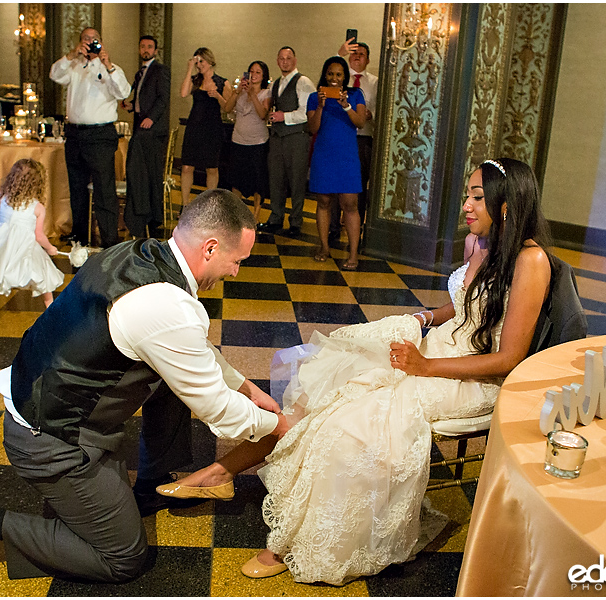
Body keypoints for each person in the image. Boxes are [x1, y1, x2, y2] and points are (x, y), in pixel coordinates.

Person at [157, 158, 553, 586]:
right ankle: (224, 473)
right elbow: (464, 308)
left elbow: (509, 357)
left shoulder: (531, 261)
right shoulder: (479, 243)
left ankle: (293, 538)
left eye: (477, 197)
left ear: (507, 204)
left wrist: (426, 365)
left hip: (475, 376)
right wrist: (423, 319)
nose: (466, 206)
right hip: (443, 347)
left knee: (351, 422)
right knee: (328, 380)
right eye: (468, 195)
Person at [0, 189, 290, 592]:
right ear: (210, 248)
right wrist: (278, 425)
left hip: (46, 398)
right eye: (236, 261)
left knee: (173, 381)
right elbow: (218, 410)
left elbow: (189, 349)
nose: (236, 272)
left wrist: (244, 386)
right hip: (50, 438)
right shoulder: (166, 305)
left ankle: (150, 483)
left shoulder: (139, 252)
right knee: (124, 557)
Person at [50, 27, 131, 248]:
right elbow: (54, 74)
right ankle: (80, 235)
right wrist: (70, 55)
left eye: (94, 40)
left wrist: (108, 65)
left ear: (101, 43)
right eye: (86, 39)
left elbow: (123, 92)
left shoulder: (111, 69)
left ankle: (109, 239)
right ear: (80, 43)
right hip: (75, 134)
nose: (90, 43)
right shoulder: (73, 67)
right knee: (76, 187)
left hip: (100, 136)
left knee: (104, 189)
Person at [0, 158, 63, 331]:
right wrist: (50, 248)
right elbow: (39, 235)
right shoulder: (37, 207)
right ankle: (52, 313)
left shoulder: (4, 197)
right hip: (25, 247)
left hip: (1, 247)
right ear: (38, 183)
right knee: (44, 279)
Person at [306, 56, 366, 271]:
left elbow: (360, 122)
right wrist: (321, 106)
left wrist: (346, 106)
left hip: (347, 156)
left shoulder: (356, 94)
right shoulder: (314, 97)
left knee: (350, 203)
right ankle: (323, 247)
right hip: (324, 154)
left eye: (338, 74)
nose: (334, 78)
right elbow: (313, 128)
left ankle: (353, 253)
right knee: (323, 201)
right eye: (330, 74)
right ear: (325, 74)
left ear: (344, 77)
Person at [258, 47, 314, 237]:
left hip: (296, 137)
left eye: (288, 58)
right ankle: (276, 218)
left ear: (295, 60)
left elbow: (307, 112)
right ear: (277, 61)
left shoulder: (303, 82)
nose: (285, 62)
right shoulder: (276, 84)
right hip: (277, 138)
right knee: (276, 179)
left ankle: (296, 222)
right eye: (281, 58)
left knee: (296, 180)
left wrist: (285, 116)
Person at [330, 38, 378, 246]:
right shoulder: (340, 78)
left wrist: (371, 114)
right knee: (333, 186)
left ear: (367, 60)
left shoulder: (375, 82)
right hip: (338, 137)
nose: (357, 56)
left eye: (362, 54)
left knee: (357, 188)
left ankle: (354, 232)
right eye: (354, 53)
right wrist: (339, 54)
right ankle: (332, 227)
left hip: (362, 139)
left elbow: (381, 106)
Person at [122, 35, 170, 238]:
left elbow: (163, 98)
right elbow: (144, 98)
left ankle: (154, 217)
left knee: (152, 173)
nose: (146, 50)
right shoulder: (140, 72)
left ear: (156, 51)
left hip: (153, 130)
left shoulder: (160, 70)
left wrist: (151, 118)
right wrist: (132, 106)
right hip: (141, 127)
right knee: (142, 172)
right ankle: (142, 211)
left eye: (149, 47)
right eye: (142, 46)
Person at [179, 48, 232, 207]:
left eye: (201, 61)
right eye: (197, 61)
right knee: (187, 166)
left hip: (212, 128)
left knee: (211, 168)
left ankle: (210, 203)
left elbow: (228, 107)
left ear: (209, 61)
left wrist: (217, 95)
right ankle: (185, 204)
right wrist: (189, 69)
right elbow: (183, 93)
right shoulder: (195, 80)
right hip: (194, 126)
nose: (199, 65)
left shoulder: (222, 82)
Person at [223, 60, 271, 219]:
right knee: (236, 178)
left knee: (257, 180)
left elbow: (263, 114)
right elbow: (227, 109)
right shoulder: (241, 92)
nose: (254, 75)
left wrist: (252, 94)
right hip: (238, 140)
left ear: (263, 76)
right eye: (251, 71)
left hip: (257, 142)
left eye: (258, 72)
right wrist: (237, 92)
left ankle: (255, 215)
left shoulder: (266, 93)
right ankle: (237, 214)